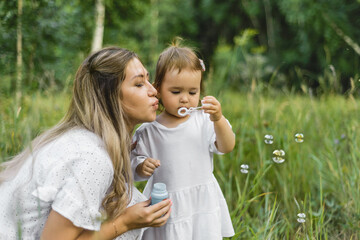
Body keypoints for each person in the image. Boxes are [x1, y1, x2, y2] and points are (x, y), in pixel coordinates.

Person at [0, 47, 172, 240]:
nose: (153, 90)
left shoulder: (83, 140)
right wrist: (125, 222)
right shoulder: (92, 158)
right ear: (110, 96)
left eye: (148, 80)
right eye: (139, 84)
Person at [131, 40, 235, 239]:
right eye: (176, 92)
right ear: (158, 90)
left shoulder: (204, 121)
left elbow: (227, 146)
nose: (185, 99)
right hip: (167, 204)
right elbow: (132, 168)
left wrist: (218, 119)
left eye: (192, 92)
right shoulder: (148, 130)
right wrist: (141, 166)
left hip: (200, 202)